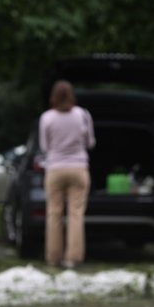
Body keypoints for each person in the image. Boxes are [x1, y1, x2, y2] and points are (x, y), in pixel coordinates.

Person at [39, 80, 95, 269]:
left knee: (54, 213)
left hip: (55, 168)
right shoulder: (82, 115)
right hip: (78, 168)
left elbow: (44, 147)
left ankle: (53, 258)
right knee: (76, 213)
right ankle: (73, 258)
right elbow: (90, 143)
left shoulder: (46, 118)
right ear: (72, 95)